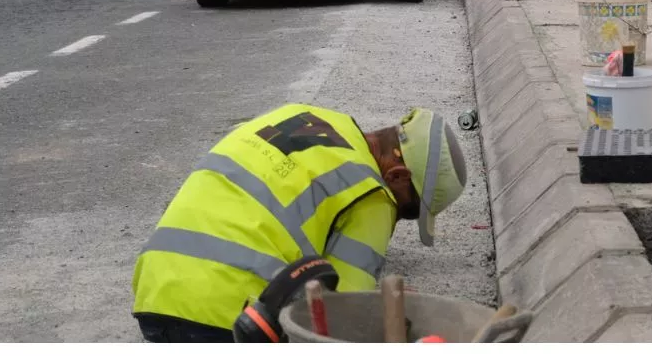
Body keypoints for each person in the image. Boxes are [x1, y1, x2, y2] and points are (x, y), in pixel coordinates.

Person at [130, 104, 467, 342]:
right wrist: (386, 309)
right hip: (226, 320)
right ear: (397, 175)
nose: (394, 221)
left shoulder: (306, 116)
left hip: (154, 292)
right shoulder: (374, 195)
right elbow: (344, 320)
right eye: (404, 211)